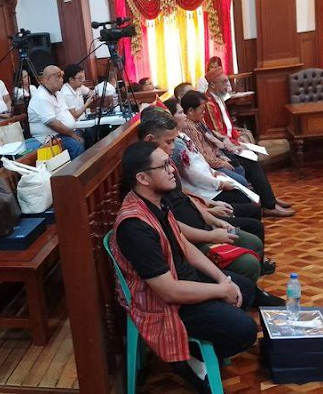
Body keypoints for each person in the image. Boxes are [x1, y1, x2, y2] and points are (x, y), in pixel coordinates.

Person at [110, 141, 257, 389]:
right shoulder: (134, 226)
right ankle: (187, 358)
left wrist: (222, 280)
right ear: (142, 178)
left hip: (183, 280)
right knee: (245, 331)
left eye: (169, 163)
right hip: (164, 302)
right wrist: (220, 291)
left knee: (246, 288)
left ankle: (198, 350)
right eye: (164, 166)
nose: (172, 169)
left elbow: (185, 246)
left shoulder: (157, 201)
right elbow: (169, 291)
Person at [137, 110, 281, 286]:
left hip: (201, 221)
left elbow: (184, 195)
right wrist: (211, 234)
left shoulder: (166, 163)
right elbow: (173, 226)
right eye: (169, 141)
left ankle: (249, 287)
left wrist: (212, 215)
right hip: (194, 240)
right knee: (248, 261)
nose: (173, 146)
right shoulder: (150, 178)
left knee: (253, 236)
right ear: (150, 140)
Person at [180, 91, 295, 218]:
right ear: (191, 111)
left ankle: (269, 200)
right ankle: (269, 204)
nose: (204, 112)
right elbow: (202, 154)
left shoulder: (197, 121)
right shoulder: (189, 127)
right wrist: (221, 161)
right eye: (202, 110)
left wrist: (223, 150)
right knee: (250, 166)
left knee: (251, 161)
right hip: (213, 164)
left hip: (218, 155)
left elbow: (211, 141)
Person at [28, 65, 85, 159]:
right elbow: (53, 123)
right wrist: (72, 134)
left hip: (66, 132)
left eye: (62, 76)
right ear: (47, 79)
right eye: (58, 77)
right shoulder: (41, 97)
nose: (62, 80)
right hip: (51, 137)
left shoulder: (58, 94)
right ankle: (77, 168)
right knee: (76, 145)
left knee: (90, 133)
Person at [203, 66, 255, 144]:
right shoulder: (209, 103)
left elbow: (229, 124)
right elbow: (219, 133)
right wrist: (236, 143)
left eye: (227, 82)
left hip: (230, 139)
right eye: (224, 82)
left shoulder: (220, 97)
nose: (227, 86)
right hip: (223, 144)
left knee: (247, 137)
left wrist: (238, 137)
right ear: (213, 85)